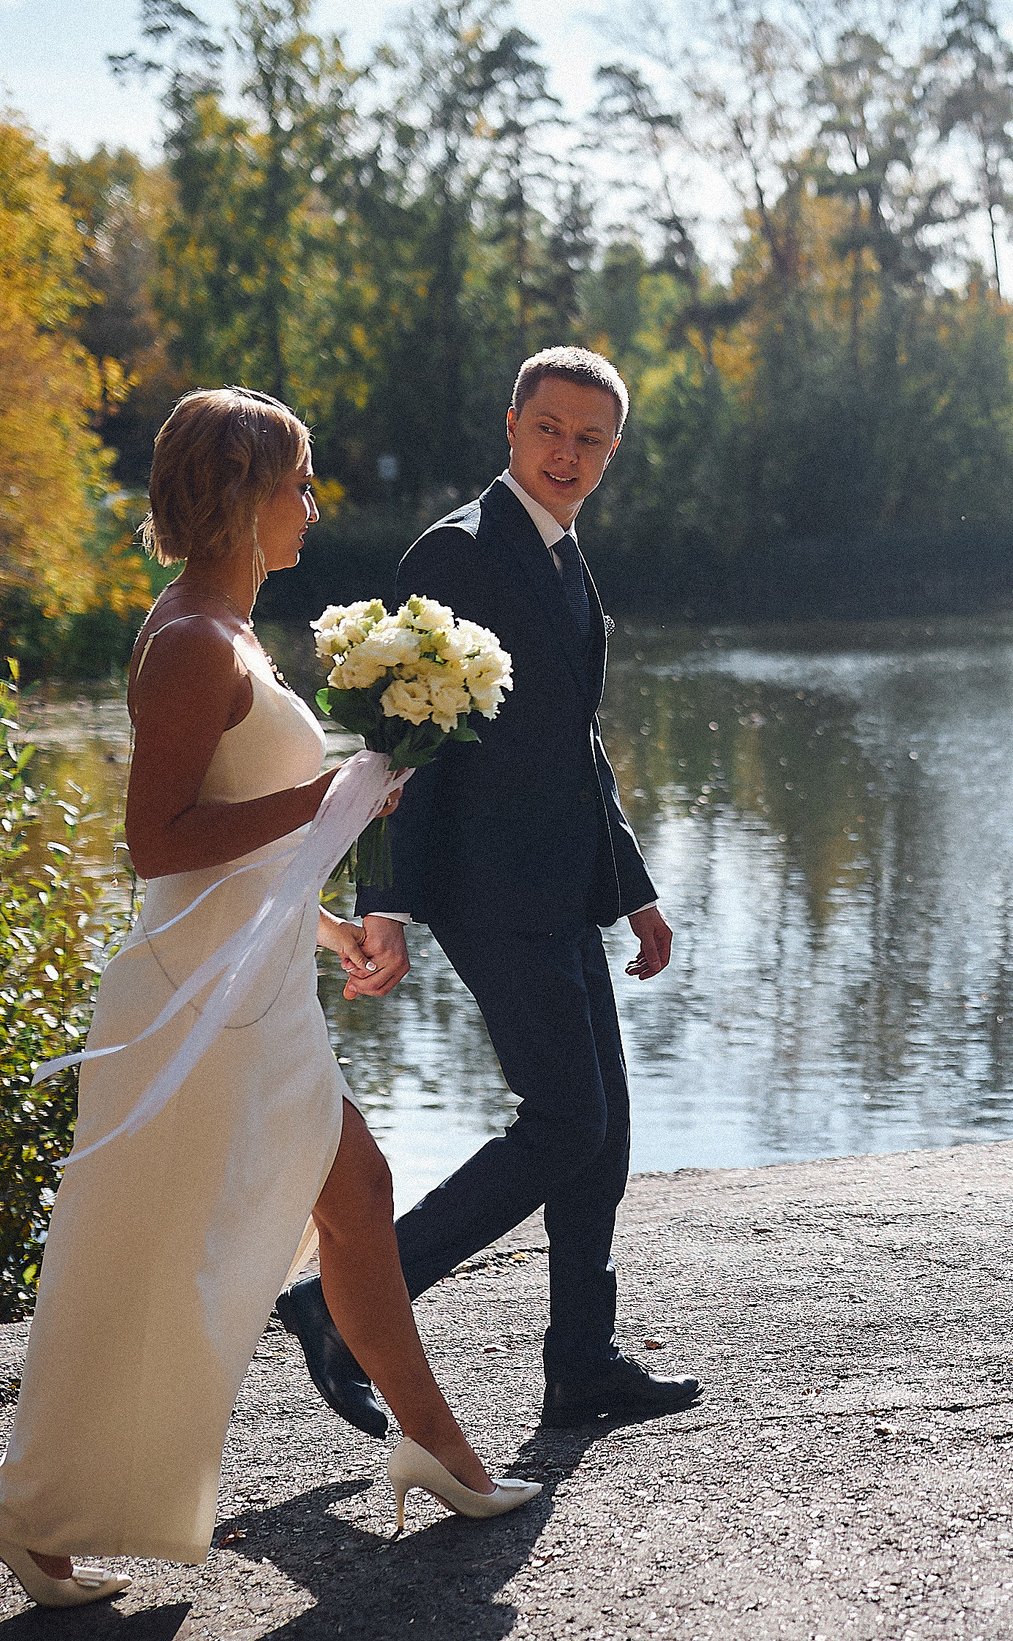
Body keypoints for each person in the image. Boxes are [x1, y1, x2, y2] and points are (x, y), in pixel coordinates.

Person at [0, 387, 532, 1611]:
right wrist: (337, 791)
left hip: (254, 986)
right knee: (142, 1250)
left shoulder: (230, 631)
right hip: (195, 1011)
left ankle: (430, 1441)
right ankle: (32, 1511)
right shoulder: (188, 645)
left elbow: (235, 848)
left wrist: (323, 922)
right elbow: (157, 842)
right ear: (244, 493)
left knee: (357, 1191)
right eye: (301, 482)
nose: (313, 504)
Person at [276, 348, 700, 1437]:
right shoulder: (458, 552)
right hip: (486, 887)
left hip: (564, 883)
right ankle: (339, 1301)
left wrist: (636, 892)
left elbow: (575, 749)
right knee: (564, 1118)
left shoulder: (564, 557)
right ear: (511, 425)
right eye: (550, 428)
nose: (568, 452)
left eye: (590, 438)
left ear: (611, 451)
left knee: (600, 1133)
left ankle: (581, 1362)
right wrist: (390, 904)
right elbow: (399, 741)